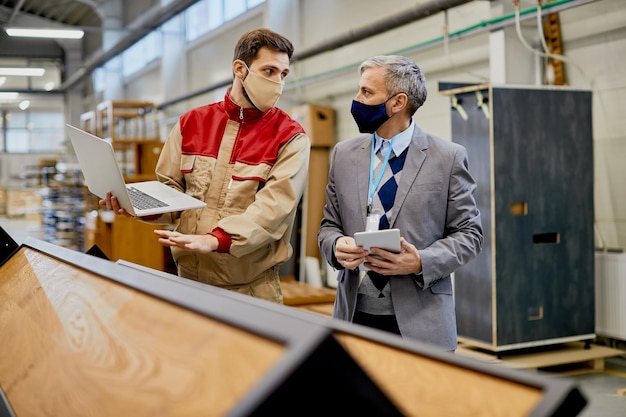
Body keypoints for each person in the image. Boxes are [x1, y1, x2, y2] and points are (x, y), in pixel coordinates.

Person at [102, 28, 311, 303]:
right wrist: (140, 207)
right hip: (188, 283)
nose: (278, 83)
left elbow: (274, 209)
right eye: (269, 71)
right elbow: (170, 189)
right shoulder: (192, 123)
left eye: (283, 74)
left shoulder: (289, 136)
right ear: (240, 69)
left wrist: (216, 239)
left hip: (250, 291)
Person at [317, 55, 483, 351]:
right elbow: (329, 225)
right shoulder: (344, 155)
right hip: (354, 318)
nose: (356, 100)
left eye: (366, 92)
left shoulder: (448, 158)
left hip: (422, 323)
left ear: (397, 103)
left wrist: (421, 261)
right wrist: (335, 245)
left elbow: (470, 235)